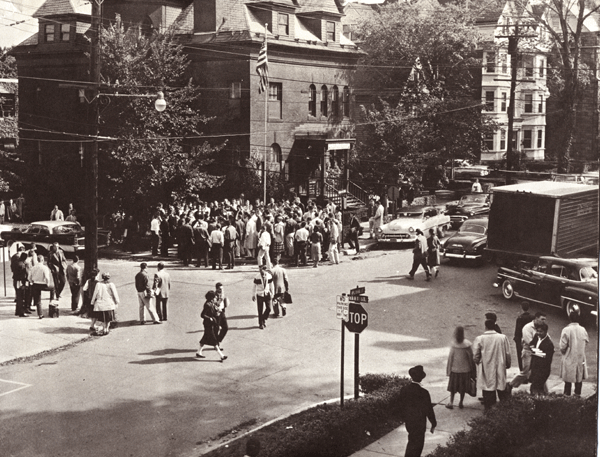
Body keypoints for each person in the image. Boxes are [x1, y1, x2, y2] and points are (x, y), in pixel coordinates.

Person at [397, 365, 437, 457]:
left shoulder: (404, 389)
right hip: (420, 422)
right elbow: (429, 410)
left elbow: (400, 405)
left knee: (411, 440)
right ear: (421, 379)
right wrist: (433, 423)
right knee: (418, 445)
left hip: (409, 421)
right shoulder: (424, 392)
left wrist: (403, 417)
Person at [473, 319, 511, 410]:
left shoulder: (480, 339)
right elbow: (507, 353)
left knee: (488, 390)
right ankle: (503, 411)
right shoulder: (502, 338)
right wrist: (508, 364)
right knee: (501, 387)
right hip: (500, 366)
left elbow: (476, 356)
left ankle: (489, 411)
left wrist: (479, 362)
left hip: (486, 368)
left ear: (485, 326)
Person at [508, 311, 546, 390]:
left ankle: (544, 391)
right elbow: (530, 342)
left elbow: (546, 337)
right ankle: (510, 385)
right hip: (528, 352)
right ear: (536, 318)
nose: (544, 321)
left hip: (537, 352)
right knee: (525, 373)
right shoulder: (527, 328)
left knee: (540, 372)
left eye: (545, 320)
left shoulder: (542, 327)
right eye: (542, 319)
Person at [559, 308, 589, 396]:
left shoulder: (566, 330)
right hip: (580, 357)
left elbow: (562, 346)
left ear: (569, 318)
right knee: (579, 379)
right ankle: (577, 396)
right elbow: (586, 341)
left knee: (568, 381)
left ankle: (567, 397)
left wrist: (565, 352)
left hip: (569, 357)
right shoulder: (583, 329)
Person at [445, 326, 476, 409]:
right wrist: (473, 371)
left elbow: (450, 358)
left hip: (455, 369)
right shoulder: (467, 345)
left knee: (453, 388)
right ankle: (461, 402)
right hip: (466, 370)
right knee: (463, 388)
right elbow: (471, 358)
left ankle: (451, 402)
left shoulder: (453, 345)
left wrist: (448, 370)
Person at [197, 290, 227, 362]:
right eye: (214, 297)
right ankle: (221, 355)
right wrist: (209, 318)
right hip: (208, 324)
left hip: (211, 324)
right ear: (211, 298)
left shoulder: (212, 303)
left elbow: (214, 310)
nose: (215, 298)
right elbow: (202, 314)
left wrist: (217, 312)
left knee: (205, 338)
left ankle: (198, 351)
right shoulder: (207, 305)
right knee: (214, 340)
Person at [529, 322, 554, 395]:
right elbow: (531, 344)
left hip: (542, 370)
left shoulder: (549, 344)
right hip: (534, 367)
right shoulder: (536, 337)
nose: (538, 333)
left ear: (546, 332)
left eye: (541, 331)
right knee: (537, 388)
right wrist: (533, 349)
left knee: (535, 388)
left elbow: (548, 360)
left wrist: (538, 353)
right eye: (537, 331)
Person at [28, 254, 52, 319]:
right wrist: (48, 284)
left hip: (35, 284)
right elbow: (47, 278)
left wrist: (32, 281)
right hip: (43, 284)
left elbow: (29, 277)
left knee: (38, 300)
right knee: (53, 288)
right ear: (42, 260)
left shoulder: (33, 268)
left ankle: (40, 314)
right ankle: (52, 301)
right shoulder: (45, 268)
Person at [513, 301, 534, 371]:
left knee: (521, 356)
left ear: (521, 308)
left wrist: (516, 340)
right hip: (531, 339)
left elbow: (518, 331)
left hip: (521, 340)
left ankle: (522, 370)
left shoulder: (520, 318)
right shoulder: (532, 317)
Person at [252, 265, 274, 329]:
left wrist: (272, 293)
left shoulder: (269, 276)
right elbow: (254, 287)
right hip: (260, 294)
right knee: (260, 310)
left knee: (269, 308)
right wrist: (253, 295)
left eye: (262, 270)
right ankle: (261, 323)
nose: (261, 271)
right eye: (260, 270)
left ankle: (263, 318)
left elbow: (271, 285)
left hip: (267, 294)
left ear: (265, 270)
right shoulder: (257, 277)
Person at [215, 282, 229, 348]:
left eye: (222, 288)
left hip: (222, 312)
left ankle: (218, 340)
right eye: (220, 289)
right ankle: (216, 344)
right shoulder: (215, 296)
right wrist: (220, 299)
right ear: (217, 289)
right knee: (216, 329)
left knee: (225, 328)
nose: (221, 290)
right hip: (217, 313)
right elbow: (216, 305)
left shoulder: (222, 294)